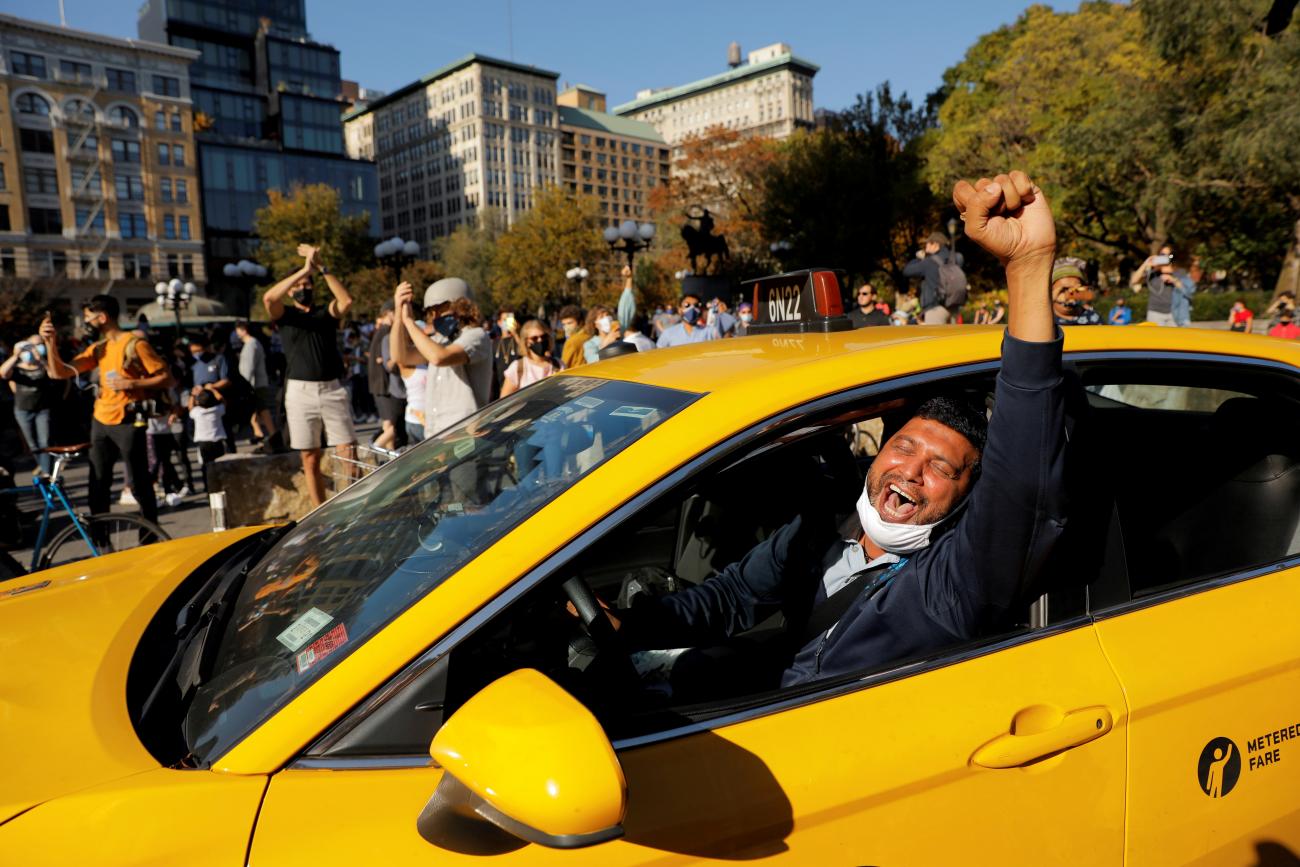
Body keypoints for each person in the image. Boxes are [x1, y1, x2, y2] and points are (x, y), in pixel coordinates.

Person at [600, 170, 1069, 688]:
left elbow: (1022, 478)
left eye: (940, 467)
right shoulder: (825, 526)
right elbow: (733, 597)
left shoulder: (948, 588)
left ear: (966, 497)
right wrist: (629, 626)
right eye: (904, 447)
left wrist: (1027, 269)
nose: (910, 472)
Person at [40, 295, 172, 526]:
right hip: (100, 421)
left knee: (140, 482)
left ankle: (150, 534)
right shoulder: (99, 348)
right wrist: (50, 342)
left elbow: (166, 378)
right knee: (98, 482)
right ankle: (102, 541)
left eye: (88, 318)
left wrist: (133, 384)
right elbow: (58, 373)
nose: (86, 323)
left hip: (129, 420)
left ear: (102, 317)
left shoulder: (135, 344)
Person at [264, 243, 357, 508]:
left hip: (331, 389)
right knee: (310, 456)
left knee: (347, 452)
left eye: (308, 283)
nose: (303, 288)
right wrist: (302, 269)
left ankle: (349, 503)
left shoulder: (324, 313)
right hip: (300, 392)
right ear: (290, 288)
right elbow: (270, 299)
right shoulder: (286, 316)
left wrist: (321, 267)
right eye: (298, 286)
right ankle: (320, 511)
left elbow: (346, 301)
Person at [390, 277, 492, 436]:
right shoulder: (439, 341)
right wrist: (399, 314)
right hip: (436, 434)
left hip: (466, 434)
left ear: (462, 306)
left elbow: (439, 357)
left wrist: (409, 322)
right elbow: (401, 356)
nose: (436, 316)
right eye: (432, 312)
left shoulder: (477, 336)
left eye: (441, 308)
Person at [2, 334, 63, 479]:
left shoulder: (43, 365)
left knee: (45, 441)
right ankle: (43, 469)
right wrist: (16, 355)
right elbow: (3, 373)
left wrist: (41, 359)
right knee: (33, 445)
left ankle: (47, 473)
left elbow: (54, 375)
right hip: (23, 410)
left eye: (39, 345)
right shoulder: (17, 368)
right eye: (32, 346)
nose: (36, 348)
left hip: (43, 409)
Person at [234, 320, 283, 453]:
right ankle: (261, 434)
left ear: (244, 330)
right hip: (255, 382)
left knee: (262, 409)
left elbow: (248, 368)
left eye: (238, 329)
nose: (236, 332)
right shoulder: (252, 344)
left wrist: (244, 385)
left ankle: (273, 435)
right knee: (258, 410)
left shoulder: (251, 345)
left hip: (255, 383)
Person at [903, 232, 965, 324]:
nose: (925, 247)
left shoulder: (929, 262)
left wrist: (919, 258)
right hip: (954, 307)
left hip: (935, 309)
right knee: (951, 338)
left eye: (927, 244)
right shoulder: (956, 258)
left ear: (935, 245)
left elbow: (907, 271)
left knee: (935, 337)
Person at [368, 302, 405, 451]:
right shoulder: (385, 332)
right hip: (384, 385)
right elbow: (382, 360)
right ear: (390, 313)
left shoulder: (380, 331)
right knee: (391, 427)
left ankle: (389, 456)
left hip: (379, 385)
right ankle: (374, 450)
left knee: (388, 424)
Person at [500, 319, 562, 397]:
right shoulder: (517, 368)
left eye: (543, 336)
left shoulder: (559, 364)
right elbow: (504, 401)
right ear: (526, 342)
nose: (540, 340)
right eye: (534, 338)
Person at [189, 386, 226, 492]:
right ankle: (220, 485)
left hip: (203, 444)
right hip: (217, 442)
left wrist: (193, 395)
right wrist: (214, 390)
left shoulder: (197, 412)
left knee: (206, 467)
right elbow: (223, 401)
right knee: (219, 465)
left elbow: (190, 407)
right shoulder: (218, 410)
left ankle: (208, 487)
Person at [1050, 257, 1102, 325]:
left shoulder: (1092, 317)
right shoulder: (1043, 319)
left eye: (1076, 290)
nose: (1070, 294)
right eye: (1063, 289)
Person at [558, 305, 589, 370]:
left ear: (580, 322)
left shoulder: (571, 341)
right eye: (564, 324)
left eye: (570, 323)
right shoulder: (589, 334)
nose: (566, 327)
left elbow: (564, 365)